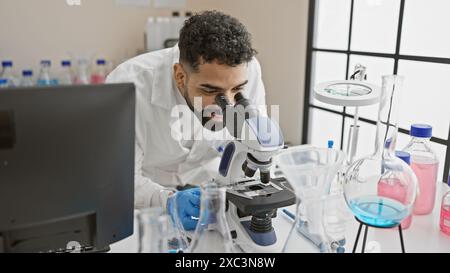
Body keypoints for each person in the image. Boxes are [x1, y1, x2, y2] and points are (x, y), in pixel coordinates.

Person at [106, 10, 267, 230]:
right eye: (211, 90)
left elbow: (255, 144)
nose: (227, 105)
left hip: (214, 193)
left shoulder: (250, 71)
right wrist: (167, 201)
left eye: (237, 90)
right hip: (145, 202)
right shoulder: (127, 85)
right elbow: (118, 179)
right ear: (180, 76)